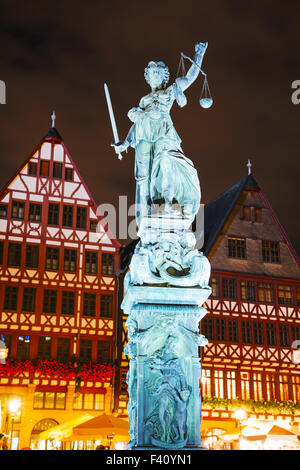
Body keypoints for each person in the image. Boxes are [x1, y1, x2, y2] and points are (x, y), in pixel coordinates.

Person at [112, 42, 208, 227]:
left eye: (157, 73)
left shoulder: (170, 91)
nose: (154, 76)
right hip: (143, 138)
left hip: (163, 134)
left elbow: (190, 77)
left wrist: (199, 56)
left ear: (163, 77)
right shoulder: (144, 100)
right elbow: (138, 123)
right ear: (148, 78)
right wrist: (125, 143)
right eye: (151, 74)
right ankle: (145, 216)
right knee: (143, 177)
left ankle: (167, 203)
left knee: (166, 164)